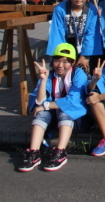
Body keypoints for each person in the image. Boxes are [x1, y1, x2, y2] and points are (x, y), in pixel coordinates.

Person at [19, 44, 88, 172]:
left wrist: (45, 105)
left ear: (73, 63)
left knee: (65, 110)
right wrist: (43, 80)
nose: (60, 65)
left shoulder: (79, 75)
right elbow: (39, 101)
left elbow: (72, 101)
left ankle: (60, 152)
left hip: (77, 119)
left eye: (66, 62)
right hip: (54, 118)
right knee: (41, 113)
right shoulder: (49, 74)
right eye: (57, 60)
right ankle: (34, 153)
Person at [47, 0, 102, 72]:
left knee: (83, 76)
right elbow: (57, 34)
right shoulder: (60, 9)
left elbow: (92, 34)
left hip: (84, 49)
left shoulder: (91, 10)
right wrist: (62, 58)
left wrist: (85, 56)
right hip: (65, 49)